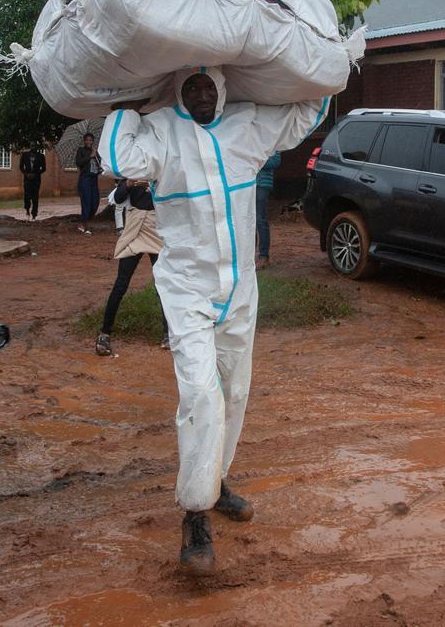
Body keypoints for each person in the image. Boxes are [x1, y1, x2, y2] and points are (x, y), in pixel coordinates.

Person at [101, 66, 328, 576]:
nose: (202, 96)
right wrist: (131, 102)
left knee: (235, 392)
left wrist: (323, 64)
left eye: (209, 87)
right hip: (186, 289)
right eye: (190, 88)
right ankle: (194, 514)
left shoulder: (246, 127)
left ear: (223, 91)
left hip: (240, 289)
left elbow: (305, 113)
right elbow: (117, 158)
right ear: (177, 94)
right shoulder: (162, 132)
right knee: (200, 393)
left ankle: (216, 479)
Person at [95, 178, 168, 356]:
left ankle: (169, 334)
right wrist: (129, 183)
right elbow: (119, 198)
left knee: (164, 285)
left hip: (155, 228)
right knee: (121, 283)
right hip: (135, 230)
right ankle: (104, 333)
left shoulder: (162, 168)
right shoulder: (132, 169)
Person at [255, 152, 281, 269]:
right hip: (248, 184)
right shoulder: (250, 138)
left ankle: (263, 256)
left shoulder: (271, 140)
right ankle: (249, 257)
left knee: (260, 219)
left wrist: (256, 159)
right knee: (249, 221)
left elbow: (275, 161)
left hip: (262, 184)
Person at [74, 133, 102, 234]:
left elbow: (98, 165)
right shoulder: (81, 150)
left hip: (94, 179)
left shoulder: (95, 152)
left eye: (91, 140)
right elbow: (79, 163)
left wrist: (100, 169)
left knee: (95, 201)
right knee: (86, 201)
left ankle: (85, 220)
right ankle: (84, 224)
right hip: (85, 179)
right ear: (84, 141)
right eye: (87, 140)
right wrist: (90, 156)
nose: (89, 142)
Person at [19, 145, 46, 220]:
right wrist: (26, 174)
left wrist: (36, 174)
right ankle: (27, 210)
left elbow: (44, 168)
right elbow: (21, 167)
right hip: (27, 179)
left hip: (36, 179)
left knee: (35, 197)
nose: (33, 146)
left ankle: (34, 214)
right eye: (32, 145)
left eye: (35, 145)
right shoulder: (25, 155)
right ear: (30, 146)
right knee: (27, 196)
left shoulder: (41, 156)